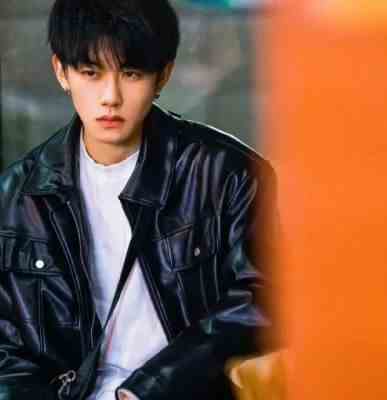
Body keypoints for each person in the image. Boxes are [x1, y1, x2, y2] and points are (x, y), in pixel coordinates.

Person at [0, 1, 276, 399]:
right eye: (91, 73)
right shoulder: (18, 196)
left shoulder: (227, 173)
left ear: (163, 75)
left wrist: (148, 387)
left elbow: (264, 299)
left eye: (131, 73)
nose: (110, 97)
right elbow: (6, 350)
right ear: (61, 71)